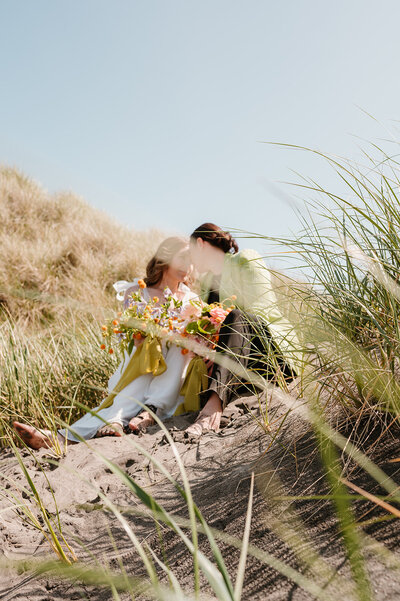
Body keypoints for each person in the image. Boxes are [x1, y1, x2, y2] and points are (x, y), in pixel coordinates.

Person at [13, 237, 197, 450]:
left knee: (180, 345)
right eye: (183, 257)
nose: (188, 266)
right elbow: (127, 336)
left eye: (192, 261)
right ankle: (65, 437)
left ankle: (146, 412)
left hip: (173, 372)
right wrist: (142, 336)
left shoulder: (191, 300)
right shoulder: (137, 292)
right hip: (139, 362)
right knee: (145, 360)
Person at [186, 222, 305, 436]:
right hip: (237, 366)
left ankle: (213, 406)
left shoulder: (245, 260)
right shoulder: (206, 283)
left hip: (270, 354)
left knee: (236, 316)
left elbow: (262, 311)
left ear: (201, 244)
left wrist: (221, 333)